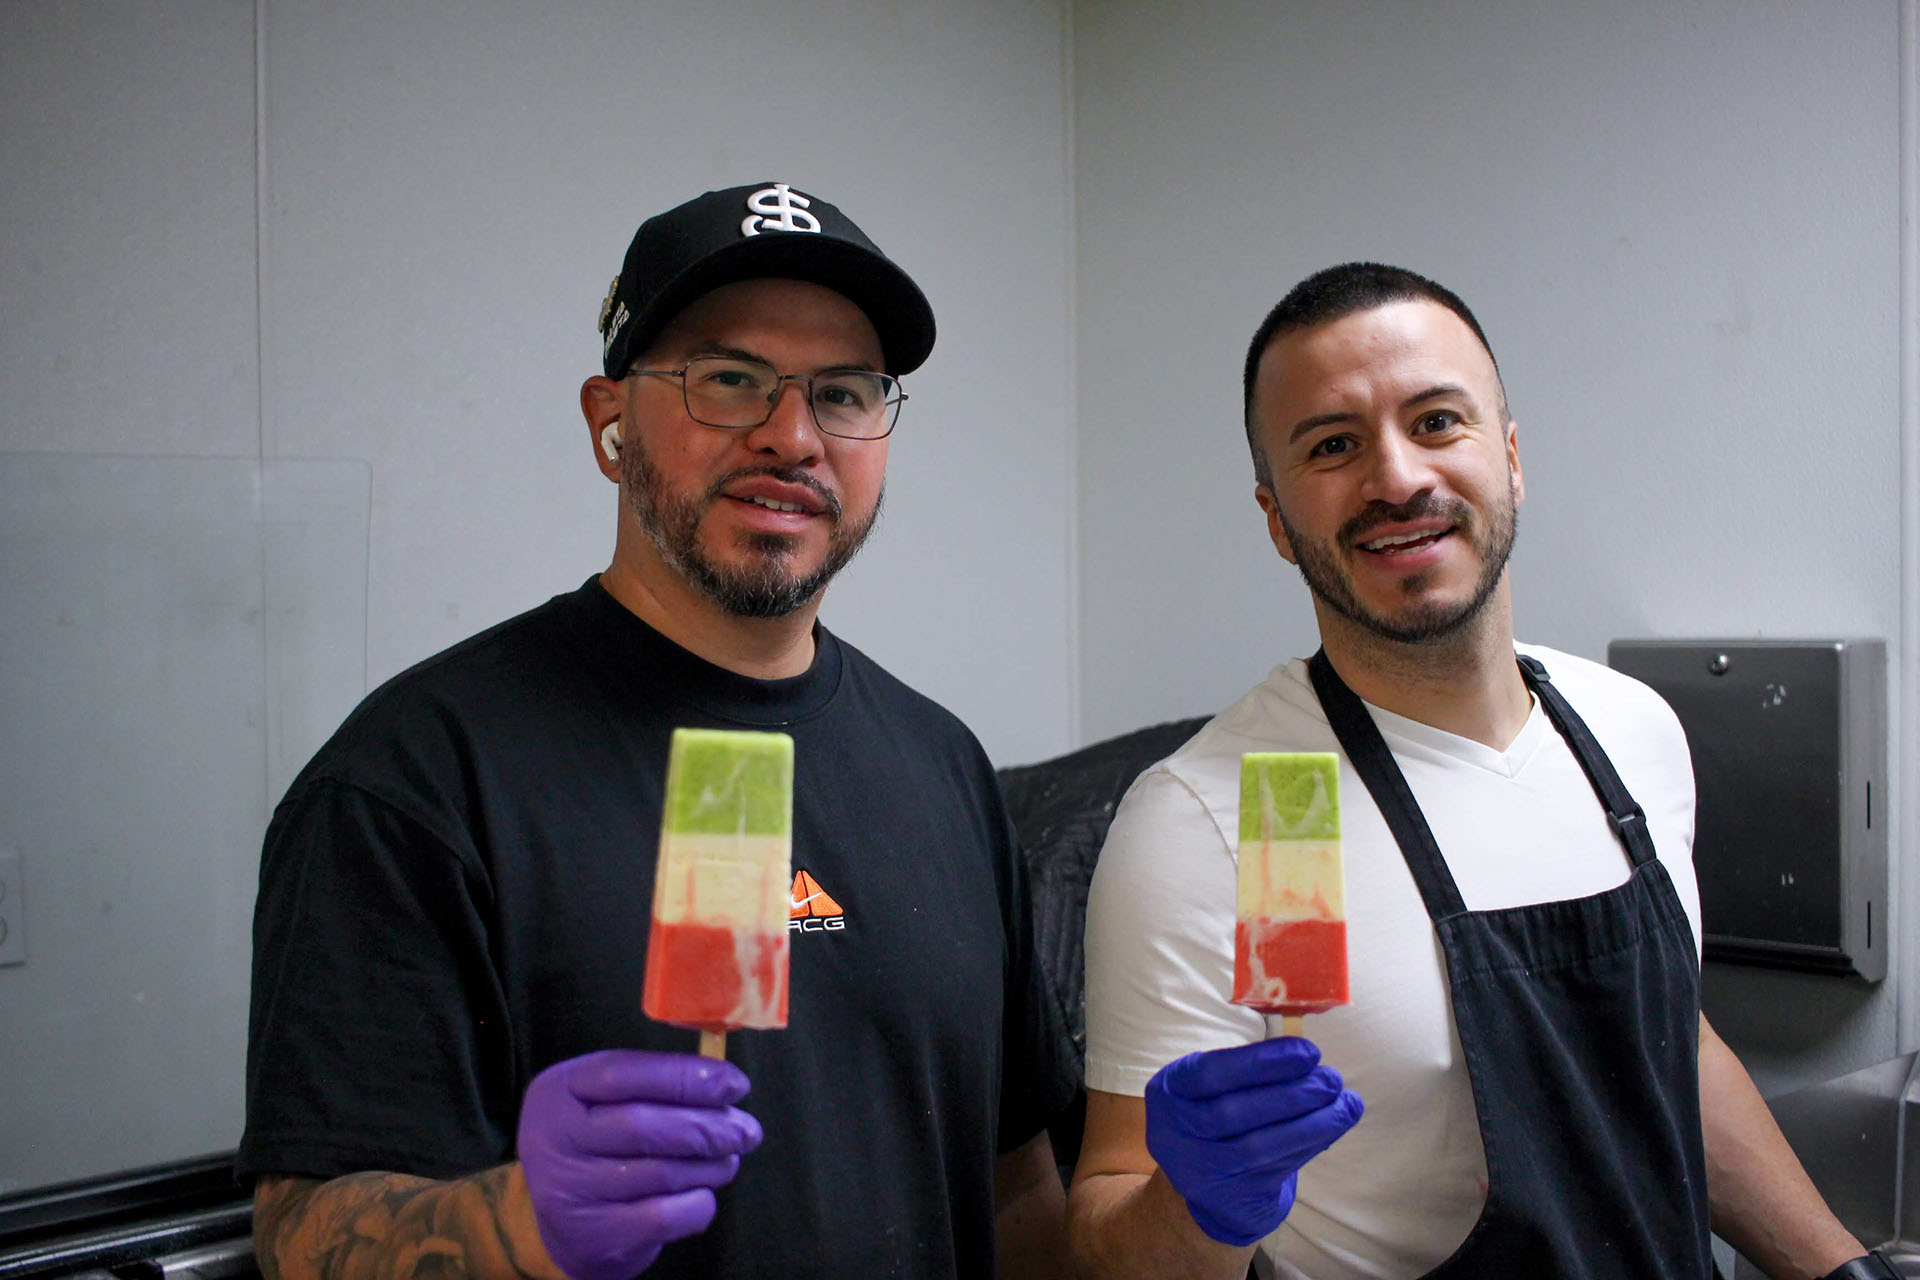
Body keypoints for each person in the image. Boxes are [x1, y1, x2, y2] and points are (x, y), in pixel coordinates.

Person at [238, 182, 1076, 1280]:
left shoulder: (945, 765)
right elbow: (301, 1229)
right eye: (730, 379)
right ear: (609, 420)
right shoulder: (414, 776)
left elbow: (1015, 1184)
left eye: (844, 391)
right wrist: (518, 1222)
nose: (792, 435)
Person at [1066, 263, 1894, 1279]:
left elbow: (1675, 1051)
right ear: (1276, 518)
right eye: (1332, 445)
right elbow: (1107, 1230)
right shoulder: (1220, 815)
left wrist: (1841, 1269)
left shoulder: (1630, 730)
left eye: (1437, 421)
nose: (1397, 477)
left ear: (1508, 455)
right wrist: (1196, 1207)